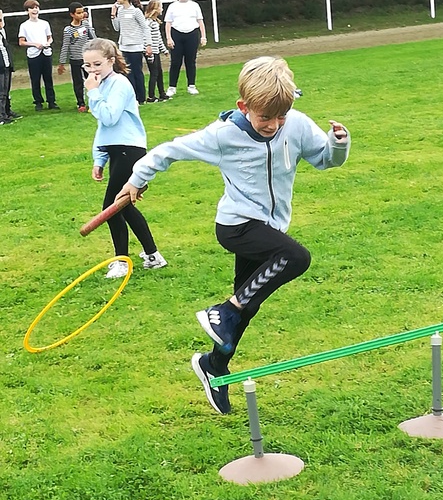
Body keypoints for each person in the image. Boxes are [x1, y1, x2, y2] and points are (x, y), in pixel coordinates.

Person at [116, 56, 351, 413]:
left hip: (271, 230)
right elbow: (170, 150)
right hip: (237, 226)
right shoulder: (224, 135)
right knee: (296, 258)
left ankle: (213, 365)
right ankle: (223, 311)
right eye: (264, 117)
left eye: (280, 116)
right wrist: (137, 178)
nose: (273, 125)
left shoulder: (297, 125)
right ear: (244, 107)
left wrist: (338, 144)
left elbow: (324, 160)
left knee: (248, 308)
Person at [83, 37, 167, 279]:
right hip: (115, 151)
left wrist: (93, 93)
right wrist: (99, 159)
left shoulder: (119, 84)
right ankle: (153, 256)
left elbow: (109, 117)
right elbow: (104, 128)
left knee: (111, 207)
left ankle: (122, 261)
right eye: (87, 66)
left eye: (97, 64)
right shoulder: (100, 86)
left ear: (111, 61)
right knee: (124, 206)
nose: (92, 70)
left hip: (129, 151)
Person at [111, 0, 152, 104]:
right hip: (123, 46)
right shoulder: (120, 10)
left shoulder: (136, 11)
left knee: (136, 72)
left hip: (135, 46)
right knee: (126, 72)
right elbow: (117, 28)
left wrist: (148, 44)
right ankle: (131, 97)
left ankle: (141, 98)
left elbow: (145, 27)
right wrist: (113, 15)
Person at [164, 0, 207, 97]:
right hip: (177, 34)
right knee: (175, 62)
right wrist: (169, 38)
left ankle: (191, 86)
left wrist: (203, 36)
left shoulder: (194, 5)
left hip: (192, 34)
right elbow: (168, 23)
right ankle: (172, 87)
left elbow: (200, 21)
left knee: (191, 61)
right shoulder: (172, 6)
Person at [18, 0, 59, 112]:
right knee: (35, 79)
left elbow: (49, 37)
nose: (35, 10)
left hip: (46, 53)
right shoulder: (24, 26)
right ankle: (38, 102)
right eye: (32, 8)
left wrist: (48, 43)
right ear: (27, 11)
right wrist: (34, 44)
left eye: (36, 8)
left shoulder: (44, 23)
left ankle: (51, 101)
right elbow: (21, 42)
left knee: (48, 78)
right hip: (33, 55)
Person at [58, 1, 96, 112]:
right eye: (78, 13)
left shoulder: (85, 25)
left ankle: (94, 101)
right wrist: (62, 63)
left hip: (87, 58)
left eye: (82, 12)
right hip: (75, 59)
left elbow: (93, 38)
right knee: (78, 82)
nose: (81, 15)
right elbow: (65, 46)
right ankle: (81, 103)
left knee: (92, 79)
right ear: (72, 14)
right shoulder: (68, 30)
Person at [144, 0, 170, 103]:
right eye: (160, 6)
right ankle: (151, 96)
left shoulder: (155, 22)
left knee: (159, 72)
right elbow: (146, 37)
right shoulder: (148, 23)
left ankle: (162, 93)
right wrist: (148, 50)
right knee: (154, 73)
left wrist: (164, 50)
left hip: (156, 51)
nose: (162, 9)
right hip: (151, 52)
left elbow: (158, 38)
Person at [0, 10, 21, 125]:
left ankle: (6, 112)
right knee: (1, 92)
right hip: (1, 67)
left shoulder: (2, 31)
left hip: (6, 65)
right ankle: (1, 116)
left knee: (6, 91)